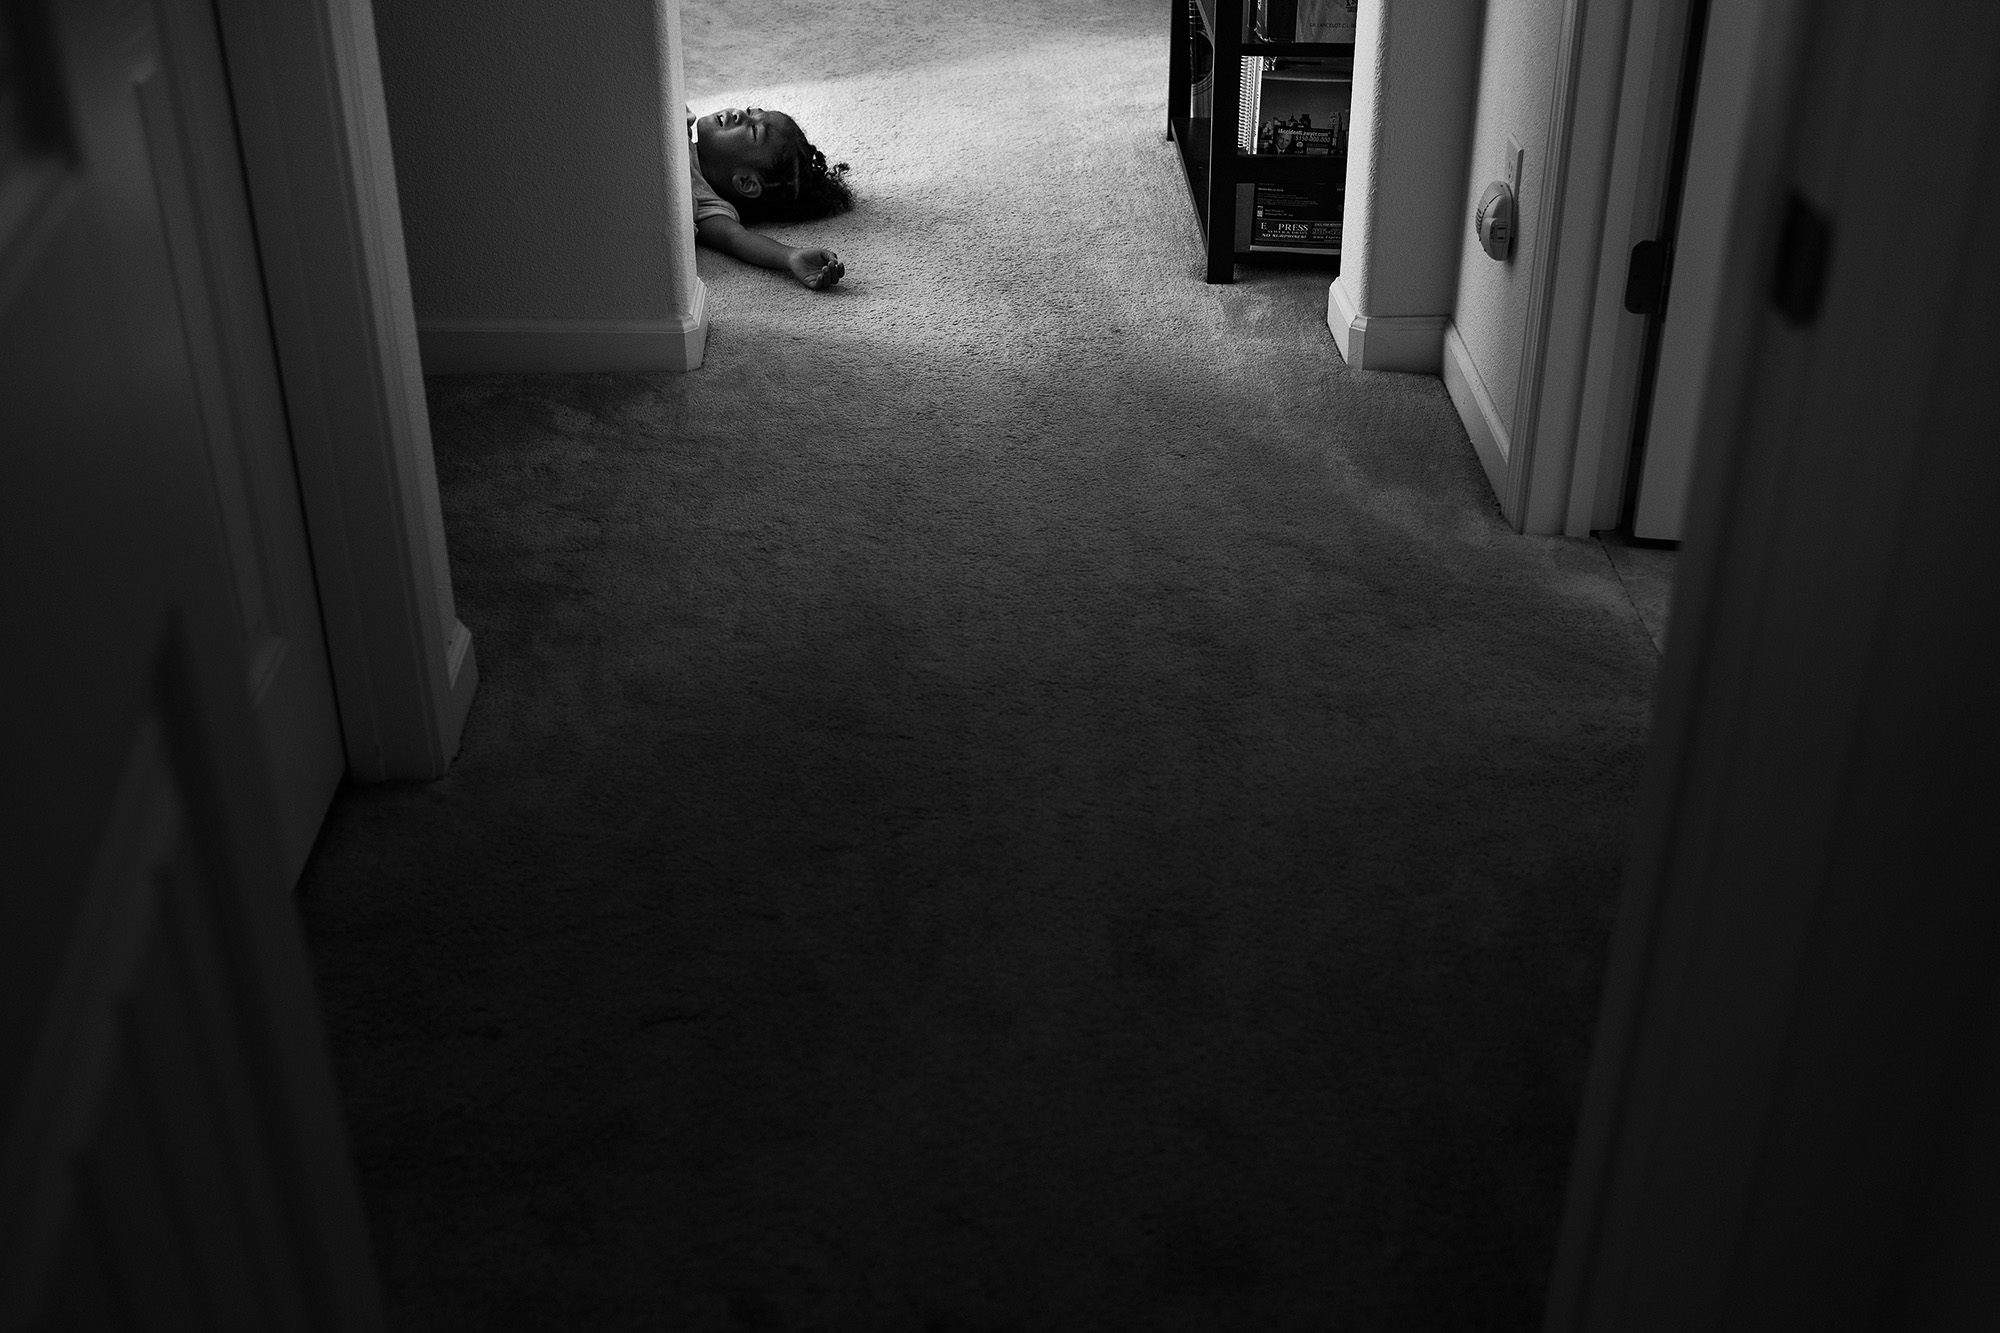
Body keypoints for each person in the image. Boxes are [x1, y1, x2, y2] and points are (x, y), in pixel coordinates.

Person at [689, 106, 853, 291]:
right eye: (750, 111)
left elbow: (735, 239)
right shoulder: (675, 123)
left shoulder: (708, 204)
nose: (739, 114)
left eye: (753, 130)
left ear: (746, 183)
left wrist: (790, 256)